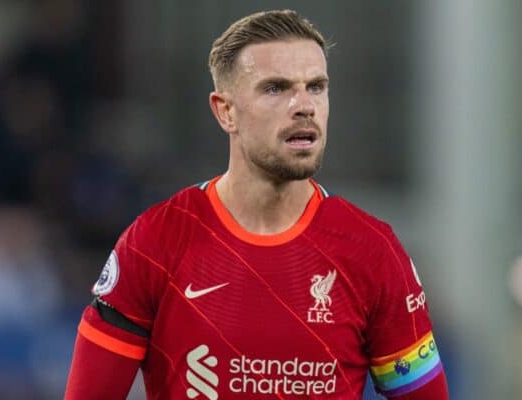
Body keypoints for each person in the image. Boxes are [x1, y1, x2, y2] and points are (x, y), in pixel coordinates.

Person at [64, 9, 449, 399]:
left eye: (316, 86)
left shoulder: (373, 251)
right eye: (276, 88)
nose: (304, 106)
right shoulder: (154, 243)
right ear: (225, 111)